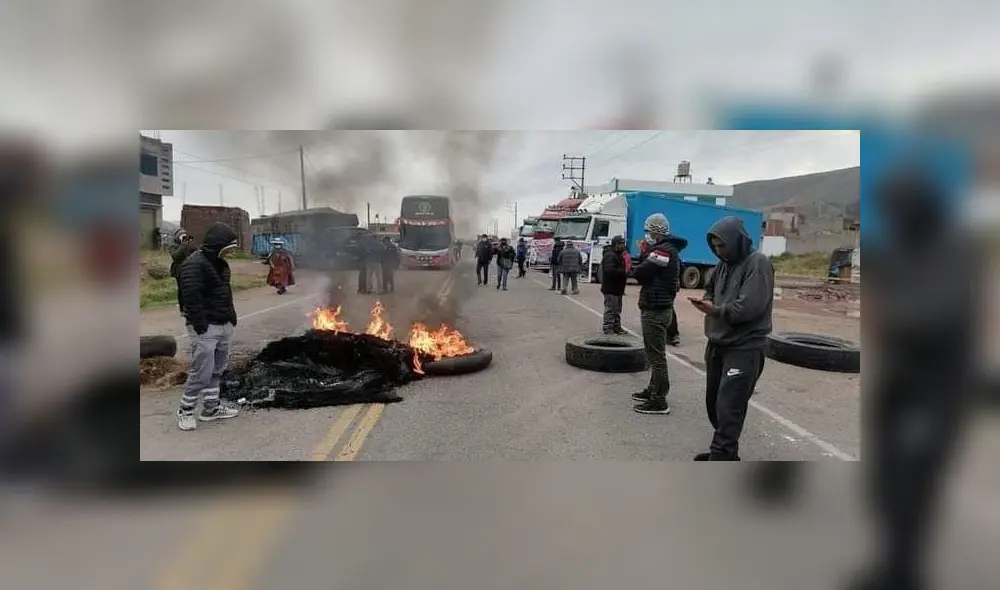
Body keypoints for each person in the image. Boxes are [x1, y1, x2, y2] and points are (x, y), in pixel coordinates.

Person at [688, 216, 773, 459]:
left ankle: (721, 455)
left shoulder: (758, 263)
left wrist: (716, 310)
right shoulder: (723, 264)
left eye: (722, 245)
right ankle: (726, 452)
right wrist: (709, 302)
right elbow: (710, 289)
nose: (719, 251)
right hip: (718, 342)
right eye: (714, 247)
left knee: (729, 407)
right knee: (714, 404)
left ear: (736, 240)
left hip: (744, 347)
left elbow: (750, 307)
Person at [175, 222, 241, 431]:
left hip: (222, 324)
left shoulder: (220, 263)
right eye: (228, 249)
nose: (230, 253)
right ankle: (185, 411)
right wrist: (201, 326)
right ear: (218, 245)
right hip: (206, 328)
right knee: (201, 372)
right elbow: (191, 298)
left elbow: (225, 294)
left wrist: (231, 317)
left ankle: (211, 409)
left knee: (217, 369)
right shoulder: (193, 265)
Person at [631, 213, 685, 415]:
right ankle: (653, 390)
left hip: (656, 308)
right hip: (661, 306)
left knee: (657, 357)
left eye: (649, 231)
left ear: (657, 231)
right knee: (655, 353)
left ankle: (659, 400)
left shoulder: (662, 251)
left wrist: (645, 256)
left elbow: (641, 273)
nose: (647, 235)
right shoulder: (669, 250)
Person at [600, 236, 628, 334]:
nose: (624, 245)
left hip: (617, 288)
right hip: (611, 288)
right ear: (617, 244)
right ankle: (608, 328)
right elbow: (609, 271)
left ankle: (616, 327)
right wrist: (623, 272)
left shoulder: (618, 255)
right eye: (622, 243)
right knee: (610, 309)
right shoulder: (610, 255)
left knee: (617, 309)